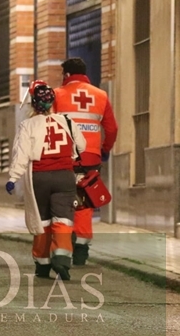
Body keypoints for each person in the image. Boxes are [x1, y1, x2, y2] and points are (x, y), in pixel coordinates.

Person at [6, 81, 86, 281]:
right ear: (52, 102)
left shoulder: (27, 125)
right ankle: (61, 258)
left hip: (39, 179)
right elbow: (82, 146)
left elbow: (21, 155)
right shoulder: (67, 121)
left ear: (33, 104)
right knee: (63, 219)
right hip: (64, 177)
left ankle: (42, 265)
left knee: (41, 221)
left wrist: (13, 178)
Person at [53, 58, 118, 266]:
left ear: (66, 75)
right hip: (90, 158)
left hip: (63, 157)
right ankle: (81, 248)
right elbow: (112, 129)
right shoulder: (101, 95)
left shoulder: (57, 95)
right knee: (85, 201)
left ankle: (63, 247)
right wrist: (104, 150)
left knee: (61, 201)